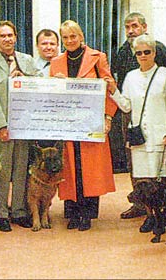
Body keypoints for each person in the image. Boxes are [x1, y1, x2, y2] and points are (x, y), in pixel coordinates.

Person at [50, 20, 118, 231]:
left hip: (91, 121)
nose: (70, 41)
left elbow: (110, 88)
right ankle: (73, 211)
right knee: (70, 166)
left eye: (73, 36)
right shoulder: (56, 62)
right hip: (67, 123)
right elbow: (50, 96)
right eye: (66, 38)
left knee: (89, 168)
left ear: (81, 37)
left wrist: (108, 117)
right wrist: (56, 84)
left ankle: (88, 212)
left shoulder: (98, 57)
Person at [110, 34, 166, 232]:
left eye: (147, 52)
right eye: (138, 53)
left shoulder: (165, 74)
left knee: (162, 182)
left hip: (161, 135)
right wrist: (113, 90)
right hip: (139, 137)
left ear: (154, 53)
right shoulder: (131, 77)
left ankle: (165, 219)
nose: (143, 56)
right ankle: (150, 217)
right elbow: (126, 106)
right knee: (143, 182)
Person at [0, 20, 38, 231]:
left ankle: (20, 210)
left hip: (25, 126)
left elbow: (40, 85)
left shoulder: (28, 60)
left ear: (15, 37)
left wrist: (27, 79)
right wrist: (0, 125)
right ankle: (2, 213)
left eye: (10, 35)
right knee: (2, 173)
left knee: (22, 170)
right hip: (2, 128)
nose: (7, 39)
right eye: (2, 36)